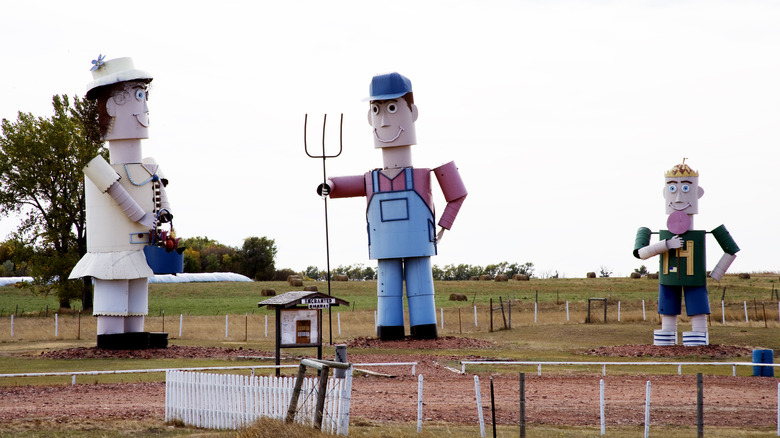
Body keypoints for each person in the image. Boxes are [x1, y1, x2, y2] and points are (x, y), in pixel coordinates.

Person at [319, 72, 467, 340]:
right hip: (385, 245)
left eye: (392, 108)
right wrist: (328, 185)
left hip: (418, 243)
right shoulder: (371, 178)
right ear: (369, 118)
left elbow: (458, 194)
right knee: (387, 290)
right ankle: (390, 330)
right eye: (376, 110)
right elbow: (340, 185)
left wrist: (444, 226)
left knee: (421, 287)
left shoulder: (423, 174)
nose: (384, 121)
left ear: (412, 113)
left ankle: (424, 329)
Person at [69, 56, 178, 349]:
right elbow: (120, 197)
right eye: (138, 95)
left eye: (144, 96)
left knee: (138, 293)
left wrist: (163, 211)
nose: (144, 107)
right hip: (112, 249)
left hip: (141, 248)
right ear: (111, 106)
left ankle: (135, 336)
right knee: (113, 290)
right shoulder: (98, 168)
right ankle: (112, 338)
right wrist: (143, 216)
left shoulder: (150, 166)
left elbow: (159, 190)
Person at [633, 160, 739, 346]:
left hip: (695, 279)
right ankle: (667, 337)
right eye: (673, 190)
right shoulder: (659, 234)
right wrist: (666, 244)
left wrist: (717, 272)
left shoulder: (701, 234)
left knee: (698, 310)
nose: (679, 198)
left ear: (698, 193)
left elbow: (731, 249)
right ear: (665, 194)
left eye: (686, 189)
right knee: (668, 310)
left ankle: (698, 338)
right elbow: (640, 253)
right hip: (668, 279)